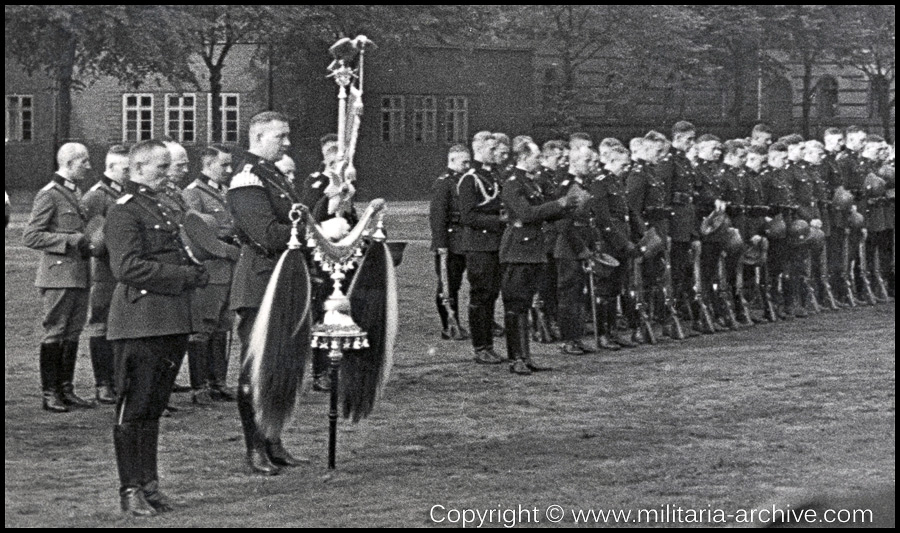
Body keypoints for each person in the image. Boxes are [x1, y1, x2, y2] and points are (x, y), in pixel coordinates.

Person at [105, 140, 209, 516]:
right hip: (140, 321)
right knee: (133, 409)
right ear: (137, 170)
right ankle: (130, 488)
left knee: (152, 407)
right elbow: (127, 267)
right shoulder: (124, 211)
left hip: (168, 318)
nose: (168, 174)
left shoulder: (162, 206)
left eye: (168, 167)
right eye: (160, 167)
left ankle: (149, 483)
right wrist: (184, 276)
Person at [227, 111, 308, 475]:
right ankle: (254, 448)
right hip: (260, 281)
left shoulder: (274, 175)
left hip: (285, 279)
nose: (288, 143)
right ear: (258, 136)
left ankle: (273, 439)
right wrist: (316, 231)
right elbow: (267, 233)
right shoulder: (247, 178)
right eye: (281, 136)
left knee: (283, 365)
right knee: (256, 367)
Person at [23, 142, 95, 412]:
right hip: (57, 274)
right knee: (55, 332)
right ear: (68, 164)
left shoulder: (74, 193)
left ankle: (66, 388)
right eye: (83, 162)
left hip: (78, 273)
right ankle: (50, 392)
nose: (88, 166)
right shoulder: (50, 194)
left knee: (73, 332)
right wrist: (70, 240)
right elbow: (31, 235)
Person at [500, 141, 578, 374]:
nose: (540, 160)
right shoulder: (514, 184)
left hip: (533, 250)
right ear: (523, 157)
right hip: (518, 250)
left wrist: (566, 208)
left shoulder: (530, 182)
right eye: (536, 157)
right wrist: (559, 204)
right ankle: (516, 358)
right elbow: (527, 213)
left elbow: (544, 212)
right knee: (515, 306)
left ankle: (525, 356)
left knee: (523, 305)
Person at [181, 144, 239, 404]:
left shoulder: (225, 193)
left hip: (229, 269)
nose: (228, 170)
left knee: (223, 326)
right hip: (209, 269)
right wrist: (226, 246)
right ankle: (200, 386)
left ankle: (219, 381)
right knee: (203, 327)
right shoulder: (193, 194)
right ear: (207, 164)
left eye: (229, 165)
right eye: (223, 165)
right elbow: (197, 234)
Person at [80, 144, 129, 404]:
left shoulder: (124, 193)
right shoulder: (97, 196)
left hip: (123, 270)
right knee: (101, 325)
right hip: (105, 272)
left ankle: (119, 380)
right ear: (110, 168)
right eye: (125, 169)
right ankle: (103, 384)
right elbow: (94, 241)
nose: (130, 173)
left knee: (120, 326)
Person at [457, 131, 505, 364]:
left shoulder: (494, 176)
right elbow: (467, 216)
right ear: (478, 151)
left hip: (495, 245)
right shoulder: (470, 179)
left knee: (491, 296)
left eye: (497, 149)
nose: (496, 153)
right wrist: (499, 221)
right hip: (479, 246)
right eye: (491, 149)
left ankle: (489, 345)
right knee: (481, 296)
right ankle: (480, 346)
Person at [589, 145, 643, 348]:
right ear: (610, 162)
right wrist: (623, 243)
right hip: (609, 243)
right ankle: (603, 334)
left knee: (615, 288)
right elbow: (604, 220)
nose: (627, 168)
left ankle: (612, 331)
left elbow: (627, 212)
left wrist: (638, 234)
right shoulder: (600, 183)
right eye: (623, 164)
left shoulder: (617, 182)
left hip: (622, 240)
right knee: (604, 289)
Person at [554, 145, 597, 354]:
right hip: (569, 247)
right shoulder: (567, 186)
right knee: (569, 295)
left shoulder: (583, 184)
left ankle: (576, 337)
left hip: (581, 243)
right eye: (587, 161)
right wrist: (580, 248)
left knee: (579, 294)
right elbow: (563, 224)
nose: (591, 165)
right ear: (573, 162)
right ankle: (568, 340)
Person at [429, 144, 471, 340]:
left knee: (459, 286)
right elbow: (437, 217)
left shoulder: (465, 180)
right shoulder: (444, 183)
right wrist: (441, 245)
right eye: (464, 162)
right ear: (452, 161)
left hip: (464, 241)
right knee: (448, 286)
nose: (467, 165)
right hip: (450, 242)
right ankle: (449, 325)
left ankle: (457, 324)